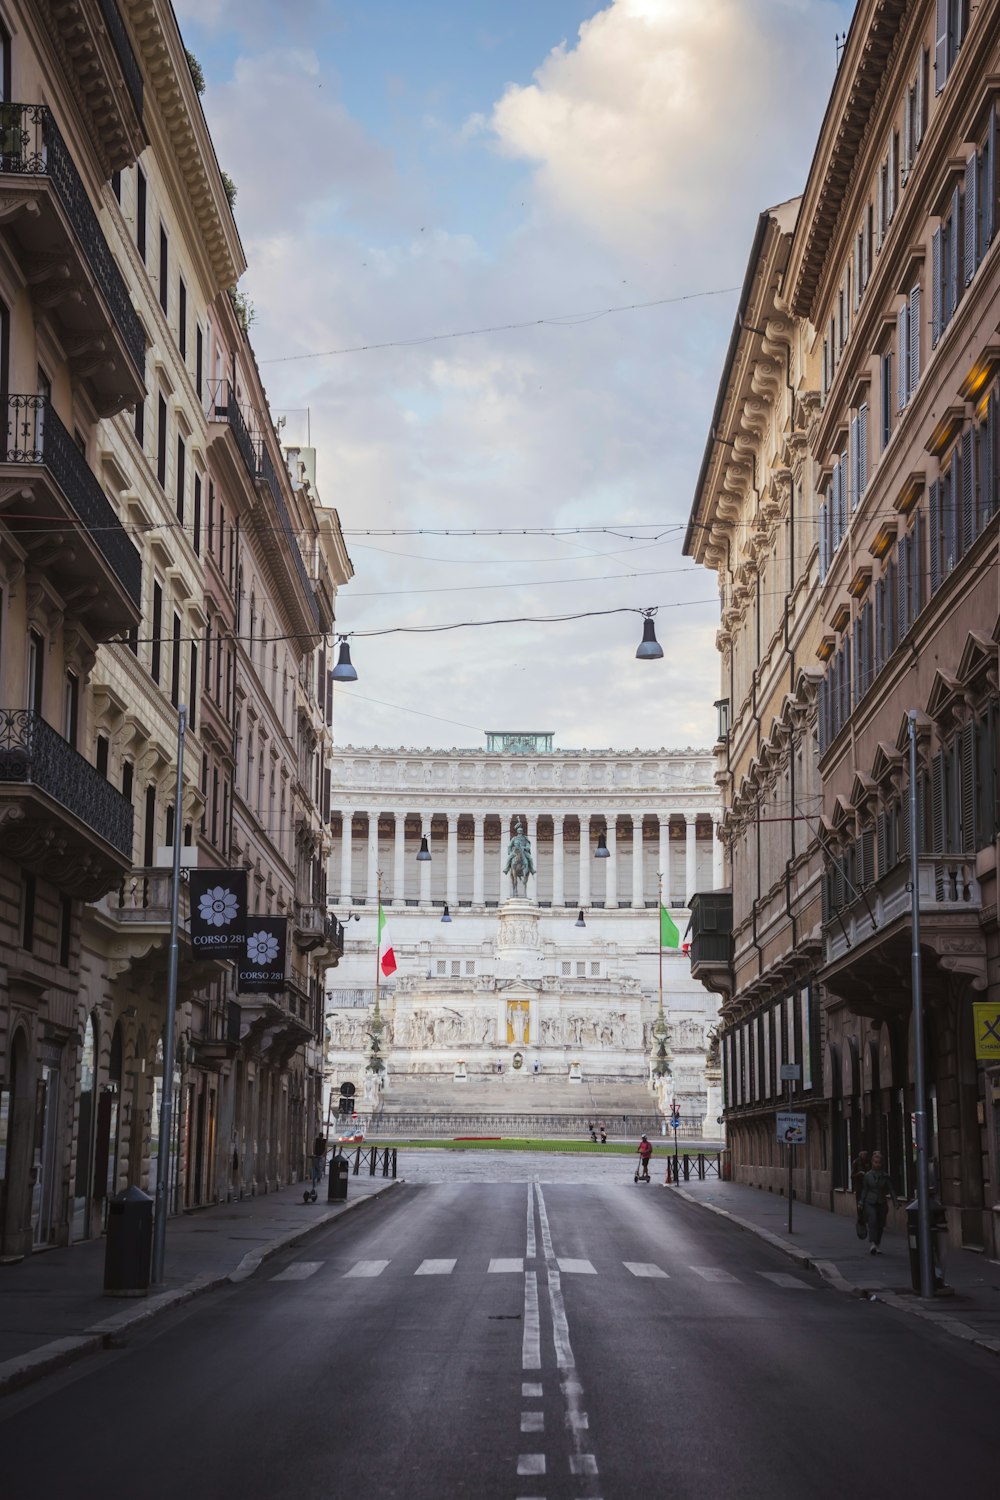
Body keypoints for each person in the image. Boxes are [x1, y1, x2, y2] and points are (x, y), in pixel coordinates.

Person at [859, 1149, 899, 1254]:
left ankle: (877, 1244)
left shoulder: (885, 1176)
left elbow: (891, 1190)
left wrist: (895, 1202)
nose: (877, 1165)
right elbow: (865, 1189)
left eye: (879, 1163)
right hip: (870, 1201)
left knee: (881, 1223)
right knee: (873, 1219)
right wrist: (861, 1202)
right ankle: (872, 1243)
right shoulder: (867, 1176)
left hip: (881, 1201)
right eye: (875, 1162)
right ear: (872, 1162)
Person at [851, 1149, 870, 1233]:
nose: (865, 1157)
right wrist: (859, 1174)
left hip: (868, 1186)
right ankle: (860, 1219)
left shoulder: (869, 1162)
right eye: (864, 1156)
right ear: (860, 1156)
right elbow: (852, 1176)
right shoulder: (856, 1162)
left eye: (866, 1156)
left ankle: (867, 1218)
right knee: (859, 1203)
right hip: (859, 1187)